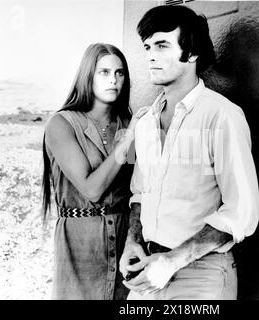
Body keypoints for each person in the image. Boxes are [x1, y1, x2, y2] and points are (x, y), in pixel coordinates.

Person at [119, 5, 259, 300]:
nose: (150, 56)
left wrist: (173, 260)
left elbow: (240, 213)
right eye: (147, 47)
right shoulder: (146, 122)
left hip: (202, 274)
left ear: (192, 53)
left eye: (162, 45)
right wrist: (132, 242)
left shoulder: (221, 116)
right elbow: (140, 194)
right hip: (148, 268)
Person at [41, 43, 149, 300]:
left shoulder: (126, 123)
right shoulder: (61, 123)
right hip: (80, 240)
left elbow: (138, 186)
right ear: (87, 75)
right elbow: (92, 189)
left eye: (120, 73)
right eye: (104, 72)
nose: (113, 80)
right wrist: (129, 138)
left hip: (125, 237)